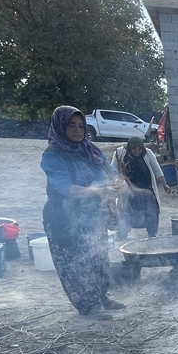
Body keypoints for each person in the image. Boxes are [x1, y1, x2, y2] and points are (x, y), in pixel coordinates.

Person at [39, 106, 124, 316]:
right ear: (60, 127)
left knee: (98, 257)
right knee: (76, 263)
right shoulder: (53, 155)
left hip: (93, 216)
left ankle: (102, 296)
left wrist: (118, 183)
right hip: (65, 219)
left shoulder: (91, 150)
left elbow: (111, 172)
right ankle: (88, 305)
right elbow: (66, 189)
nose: (78, 130)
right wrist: (100, 191)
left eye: (81, 126)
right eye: (71, 125)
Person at [112, 136, 170, 238]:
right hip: (127, 190)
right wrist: (116, 182)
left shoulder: (148, 153)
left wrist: (164, 185)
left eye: (139, 149)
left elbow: (157, 170)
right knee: (124, 211)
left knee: (151, 211)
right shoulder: (119, 153)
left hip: (146, 190)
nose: (137, 151)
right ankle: (122, 233)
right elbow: (112, 170)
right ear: (129, 148)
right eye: (134, 149)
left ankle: (152, 233)